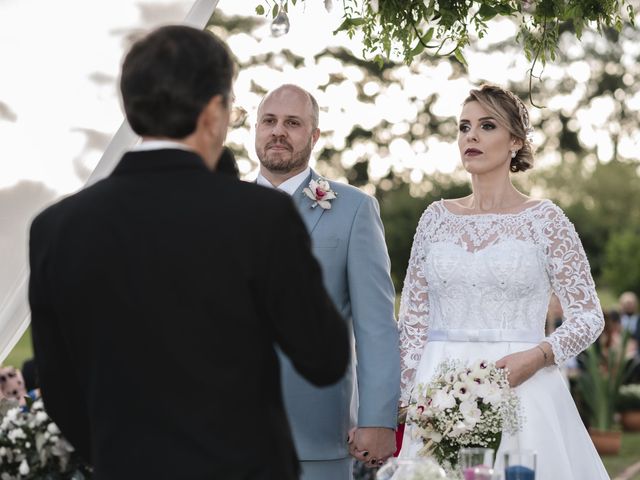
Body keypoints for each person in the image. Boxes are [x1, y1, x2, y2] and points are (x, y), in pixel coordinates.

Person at [28, 26, 350, 480]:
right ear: (214, 111)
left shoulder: (56, 228)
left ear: (131, 106)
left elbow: (57, 384)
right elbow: (324, 356)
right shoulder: (262, 218)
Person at [397, 84, 608, 479]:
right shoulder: (435, 218)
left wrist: (537, 357)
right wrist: (396, 403)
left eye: (486, 125)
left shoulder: (546, 220)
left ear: (515, 141)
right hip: (436, 389)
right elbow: (411, 324)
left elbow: (588, 316)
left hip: (524, 389)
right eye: (463, 127)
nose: (471, 136)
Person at [254, 84, 400, 480]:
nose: (278, 131)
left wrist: (378, 418)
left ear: (314, 135)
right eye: (269, 121)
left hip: (317, 436)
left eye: (293, 123)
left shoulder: (353, 209)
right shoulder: (218, 207)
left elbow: (376, 325)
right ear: (255, 129)